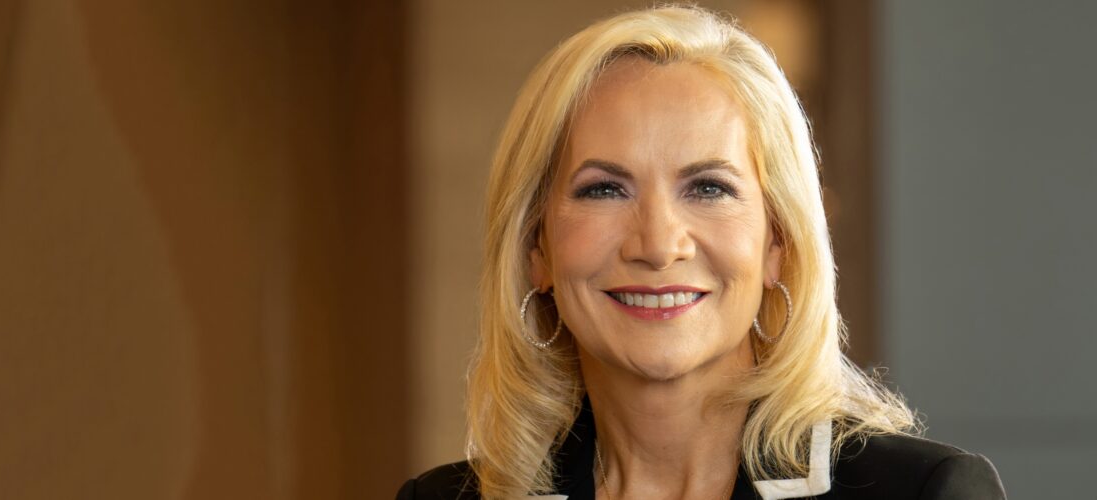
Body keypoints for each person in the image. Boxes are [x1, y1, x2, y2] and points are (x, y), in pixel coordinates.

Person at [397, 5, 1005, 500]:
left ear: (777, 241)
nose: (659, 245)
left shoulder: (925, 492)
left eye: (709, 187)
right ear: (537, 249)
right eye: (604, 189)